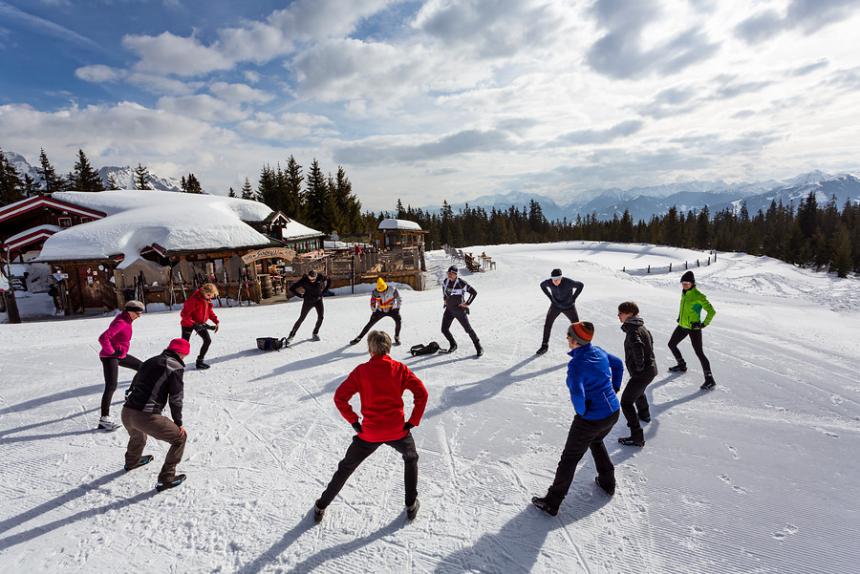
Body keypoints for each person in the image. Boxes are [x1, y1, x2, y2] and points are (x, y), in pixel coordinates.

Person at [313, 331, 428, 523]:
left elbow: (339, 397)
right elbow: (422, 394)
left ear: (370, 348)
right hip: (397, 430)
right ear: (388, 347)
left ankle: (320, 507)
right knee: (411, 458)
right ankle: (410, 504)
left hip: (369, 433)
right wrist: (412, 421)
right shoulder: (400, 369)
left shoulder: (361, 371)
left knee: (346, 467)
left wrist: (354, 422)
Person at [532, 322, 623, 516]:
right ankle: (608, 483)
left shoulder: (576, 364)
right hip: (613, 411)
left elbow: (576, 392)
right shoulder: (598, 351)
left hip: (591, 418)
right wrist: (615, 387)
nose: (567, 340)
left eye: (568, 336)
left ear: (574, 340)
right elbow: (618, 364)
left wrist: (582, 412)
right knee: (596, 441)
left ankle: (552, 502)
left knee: (569, 459)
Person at [122, 338, 189, 492]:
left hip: (127, 412)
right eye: (185, 355)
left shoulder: (149, 361)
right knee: (179, 438)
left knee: (138, 436)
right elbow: (176, 397)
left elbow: (134, 383)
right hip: (146, 415)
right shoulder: (175, 366)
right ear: (181, 353)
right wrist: (178, 422)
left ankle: (132, 462)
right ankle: (166, 479)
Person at [96, 300, 145, 431]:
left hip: (120, 355)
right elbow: (103, 338)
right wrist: (112, 351)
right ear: (129, 311)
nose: (139, 316)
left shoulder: (127, 320)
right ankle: (104, 419)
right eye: (137, 313)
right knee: (111, 386)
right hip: (110, 356)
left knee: (142, 367)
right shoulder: (121, 322)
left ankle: (131, 393)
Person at [616, 302, 657, 447]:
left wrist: (638, 369)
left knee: (626, 403)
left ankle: (637, 437)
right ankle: (644, 415)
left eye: (621, 313)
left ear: (630, 314)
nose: (618, 315)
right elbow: (650, 341)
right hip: (650, 370)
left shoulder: (633, 330)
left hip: (643, 372)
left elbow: (638, 347)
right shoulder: (640, 326)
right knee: (638, 392)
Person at [667, 271, 717, 390]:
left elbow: (711, 311)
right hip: (682, 326)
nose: (684, 285)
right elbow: (687, 308)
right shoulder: (684, 293)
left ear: (692, 283)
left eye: (687, 283)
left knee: (699, 353)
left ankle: (710, 379)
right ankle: (681, 365)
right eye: (683, 283)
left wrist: (703, 324)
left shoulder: (698, 295)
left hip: (694, 328)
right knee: (671, 344)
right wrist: (680, 316)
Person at [536, 268, 584, 355]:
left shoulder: (568, 282)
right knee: (548, 324)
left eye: (557, 279)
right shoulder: (549, 282)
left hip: (569, 307)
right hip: (555, 306)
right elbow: (542, 285)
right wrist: (550, 297)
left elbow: (580, 285)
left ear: (561, 278)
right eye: (553, 280)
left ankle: (580, 348)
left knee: (576, 326)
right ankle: (544, 346)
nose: (555, 282)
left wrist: (574, 298)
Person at [441, 265, 483, 357]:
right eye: (448, 273)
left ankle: (478, 346)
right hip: (449, 309)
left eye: (451, 274)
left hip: (459, 310)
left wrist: (467, 303)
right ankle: (453, 344)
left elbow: (473, 293)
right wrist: (444, 299)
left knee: (468, 329)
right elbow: (444, 290)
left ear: (456, 274)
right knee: (444, 329)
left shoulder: (461, 283)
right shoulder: (446, 281)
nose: (449, 275)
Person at [351, 277, 402, 346]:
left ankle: (397, 337)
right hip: (380, 311)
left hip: (391, 309)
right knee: (370, 323)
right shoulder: (375, 292)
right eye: (380, 291)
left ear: (385, 287)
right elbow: (372, 302)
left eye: (383, 291)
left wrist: (397, 308)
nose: (382, 292)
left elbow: (399, 299)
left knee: (398, 321)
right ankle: (359, 337)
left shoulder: (392, 290)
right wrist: (374, 311)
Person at [180, 283, 220, 370]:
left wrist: (216, 321)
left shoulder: (207, 300)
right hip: (188, 324)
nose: (209, 297)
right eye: (208, 295)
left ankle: (200, 362)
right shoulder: (193, 300)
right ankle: (176, 363)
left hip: (200, 323)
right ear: (203, 292)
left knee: (207, 340)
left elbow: (209, 313)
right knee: (184, 344)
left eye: (212, 296)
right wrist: (193, 324)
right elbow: (185, 315)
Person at [287, 269, 331, 343]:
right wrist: (300, 295)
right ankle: (291, 335)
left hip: (318, 300)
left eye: (314, 279)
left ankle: (315, 333)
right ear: (308, 276)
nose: (312, 281)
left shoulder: (320, 277)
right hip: (308, 301)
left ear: (316, 276)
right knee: (301, 318)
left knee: (321, 317)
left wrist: (325, 291)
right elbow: (292, 288)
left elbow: (330, 279)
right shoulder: (304, 280)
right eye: (310, 279)